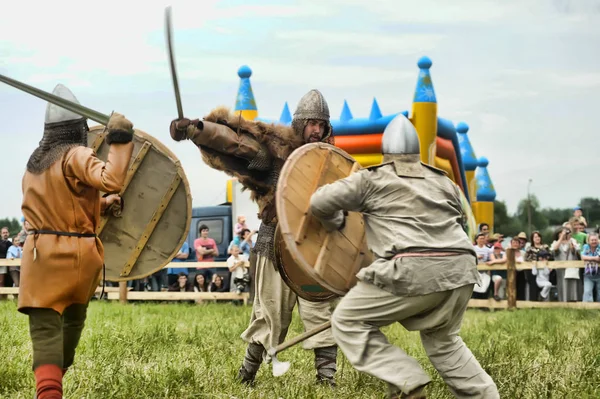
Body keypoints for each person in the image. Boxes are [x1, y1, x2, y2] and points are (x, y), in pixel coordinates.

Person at [309, 114, 498, 399]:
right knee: (444, 340)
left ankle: (407, 380)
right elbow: (458, 220)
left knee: (347, 320)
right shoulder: (444, 182)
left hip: (413, 268)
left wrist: (334, 221)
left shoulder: (370, 180)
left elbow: (318, 202)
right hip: (462, 268)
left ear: (386, 153)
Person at [169, 89, 339, 386]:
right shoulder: (277, 155)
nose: (316, 130)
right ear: (300, 124)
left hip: (314, 246)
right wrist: (199, 130)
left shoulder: (334, 164)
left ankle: (327, 379)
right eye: (311, 123)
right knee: (269, 311)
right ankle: (246, 376)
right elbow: (238, 146)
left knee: (321, 311)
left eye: (321, 124)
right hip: (276, 241)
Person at [18, 84, 134, 399]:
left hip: (40, 258)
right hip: (77, 258)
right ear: (78, 128)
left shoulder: (34, 165)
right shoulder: (77, 154)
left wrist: (101, 205)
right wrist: (120, 141)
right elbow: (111, 179)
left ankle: (49, 390)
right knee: (72, 324)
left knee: (45, 333)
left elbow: (55, 208)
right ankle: (54, 385)